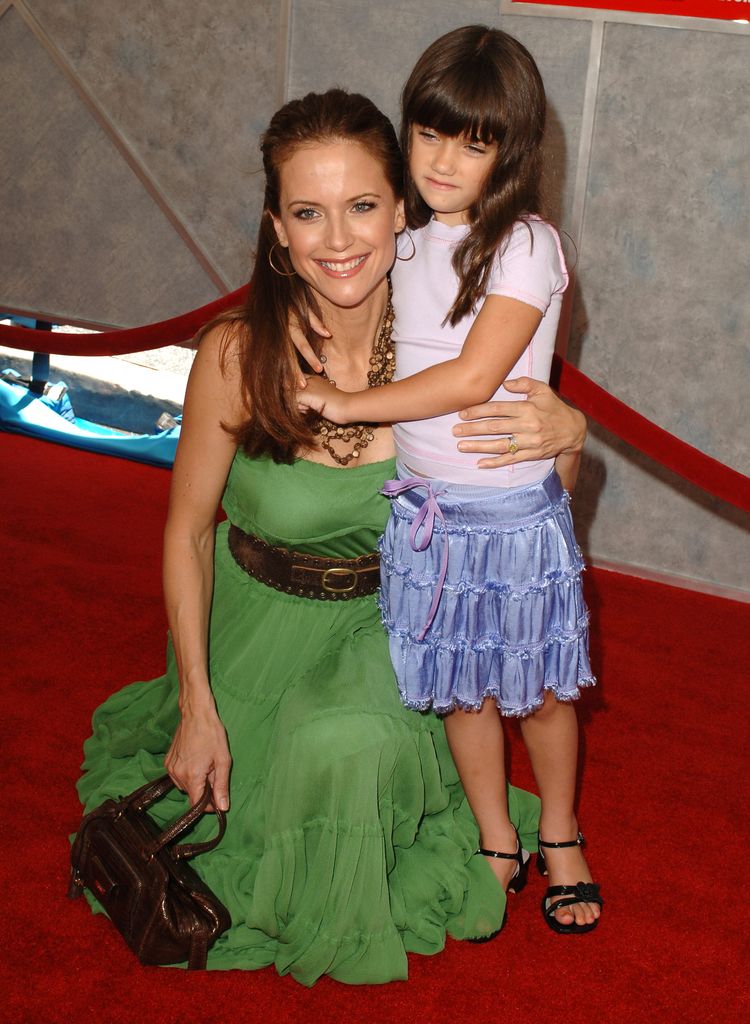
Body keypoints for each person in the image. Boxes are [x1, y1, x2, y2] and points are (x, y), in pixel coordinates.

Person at [76, 89, 587, 986]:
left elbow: (537, 515)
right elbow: (187, 535)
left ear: (404, 210)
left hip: (394, 624)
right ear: (277, 229)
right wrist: (197, 705)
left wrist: (568, 436)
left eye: (361, 206)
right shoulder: (237, 356)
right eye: (308, 212)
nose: (338, 239)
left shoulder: (461, 348)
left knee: (340, 746)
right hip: (256, 629)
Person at [297, 28, 602, 935]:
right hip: (426, 517)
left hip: (511, 516)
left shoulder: (526, 246)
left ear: (512, 151)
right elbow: (338, 277)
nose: (444, 160)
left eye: (475, 141)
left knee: (540, 693)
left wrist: (345, 406)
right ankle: (495, 833)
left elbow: (472, 378)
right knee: (463, 687)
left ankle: (560, 832)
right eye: (430, 133)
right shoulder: (406, 238)